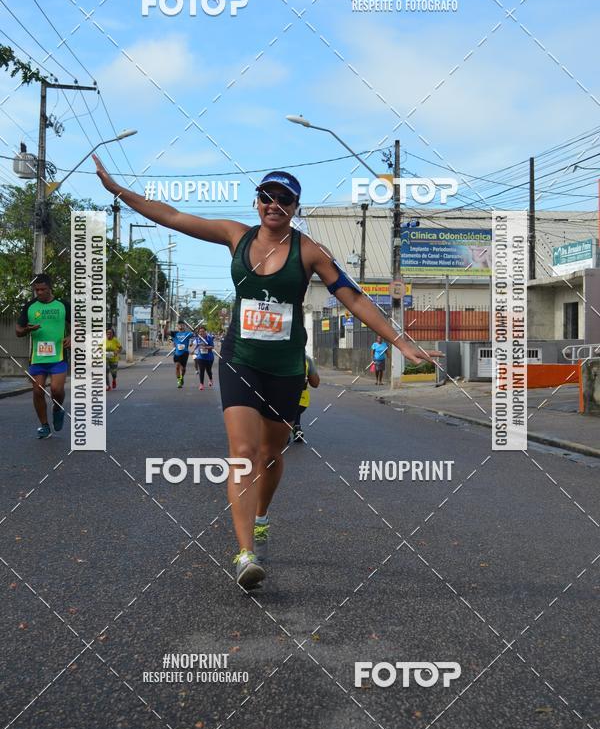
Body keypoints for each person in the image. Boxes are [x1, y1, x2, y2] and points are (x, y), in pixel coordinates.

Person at [93, 157, 442, 589]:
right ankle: (245, 554)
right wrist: (118, 192)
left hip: (286, 366)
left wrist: (402, 341)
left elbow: (353, 297)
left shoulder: (310, 250)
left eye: (284, 199)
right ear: (257, 202)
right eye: (267, 197)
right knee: (243, 452)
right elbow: (174, 216)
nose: (274, 204)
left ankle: (261, 515)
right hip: (240, 359)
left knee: (273, 454)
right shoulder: (234, 235)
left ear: (295, 207)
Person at [15, 274, 70, 439]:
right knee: (38, 391)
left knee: (56, 390)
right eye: (36, 289)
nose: (39, 292)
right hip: (37, 357)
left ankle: (57, 408)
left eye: (42, 289)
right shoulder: (30, 307)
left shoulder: (63, 305)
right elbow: (18, 330)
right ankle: (44, 426)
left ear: (50, 288)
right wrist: (27, 330)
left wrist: (72, 336)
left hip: (58, 356)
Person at [290, 354, 320, 443]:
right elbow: (315, 383)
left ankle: (285, 430)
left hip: (281, 400)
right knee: (295, 408)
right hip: (302, 401)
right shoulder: (306, 359)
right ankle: (296, 427)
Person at [169, 320, 194, 388]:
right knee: (177, 366)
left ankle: (182, 377)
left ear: (184, 326)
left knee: (183, 368)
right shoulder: (175, 333)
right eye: (179, 325)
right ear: (177, 326)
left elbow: (194, 334)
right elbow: (165, 332)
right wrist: (166, 324)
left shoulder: (187, 333)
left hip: (185, 353)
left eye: (182, 325)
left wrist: (191, 342)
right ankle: (179, 381)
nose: (181, 326)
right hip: (177, 353)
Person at [192, 324, 215, 390]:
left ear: (205, 332)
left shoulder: (209, 338)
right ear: (199, 333)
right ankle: (201, 384)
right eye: (200, 332)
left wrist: (205, 347)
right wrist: (193, 351)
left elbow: (212, 346)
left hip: (209, 357)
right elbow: (196, 346)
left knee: (208, 370)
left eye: (203, 331)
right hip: (200, 357)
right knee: (201, 370)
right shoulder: (197, 339)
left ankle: (210, 379)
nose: (201, 333)